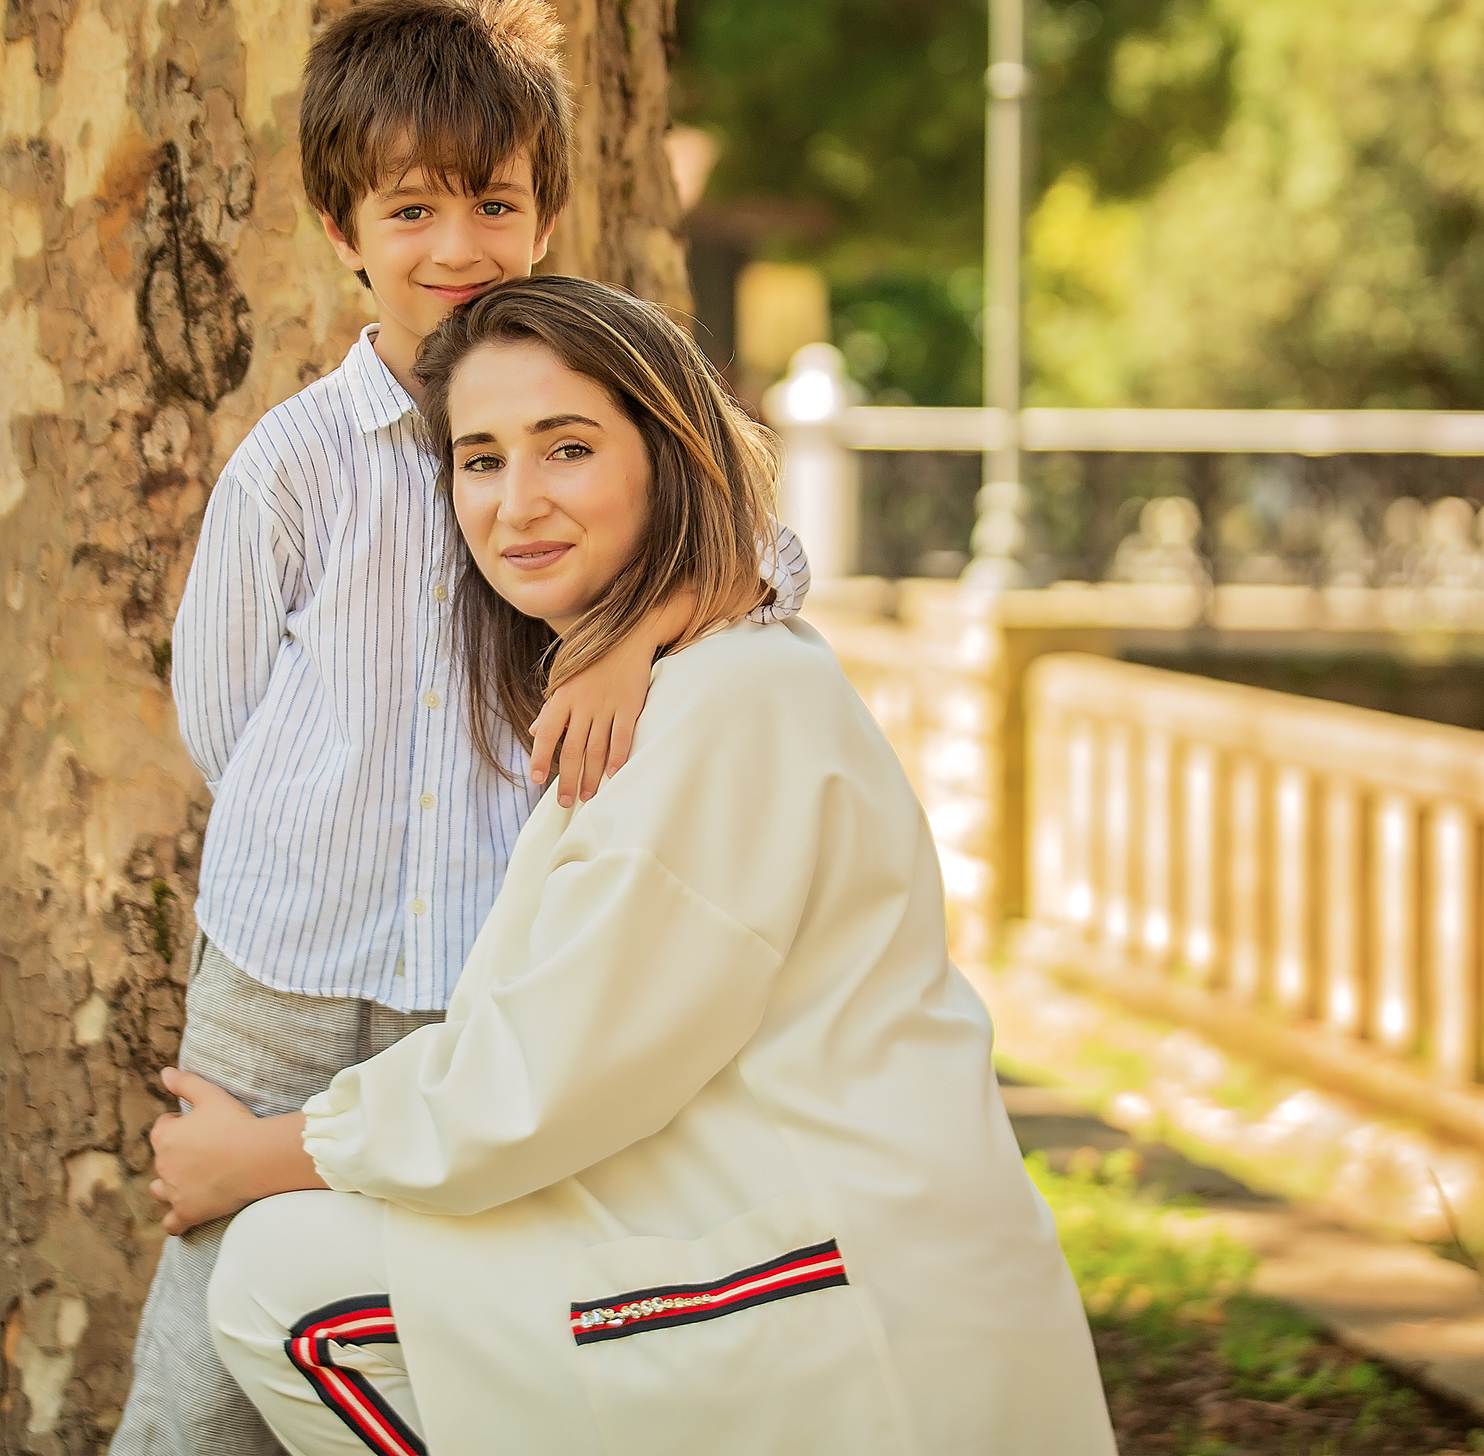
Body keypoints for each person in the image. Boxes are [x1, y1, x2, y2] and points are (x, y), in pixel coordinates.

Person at [148, 276, 1115, 1455]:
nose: (517, 503)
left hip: (844, 1287)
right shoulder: (682, 676)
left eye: (567, 449)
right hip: (748, 1228)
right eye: (480, 460)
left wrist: (254, 1158)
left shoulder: (728, 705)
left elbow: (538, 1080)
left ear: (665, 455)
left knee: (287, 1288)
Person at [111, 0, 812, 1456]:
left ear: (544, 216)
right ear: (343, 231)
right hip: (286, 967)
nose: (456, 247)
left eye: (493, 202)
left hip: (489, 979)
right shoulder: (297, 463)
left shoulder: (598, 401)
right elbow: (224, 717)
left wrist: (635, 643)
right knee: (213, 1323)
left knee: (431, 1321)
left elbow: (775, 562)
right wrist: (329, 829)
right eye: (411, 209)